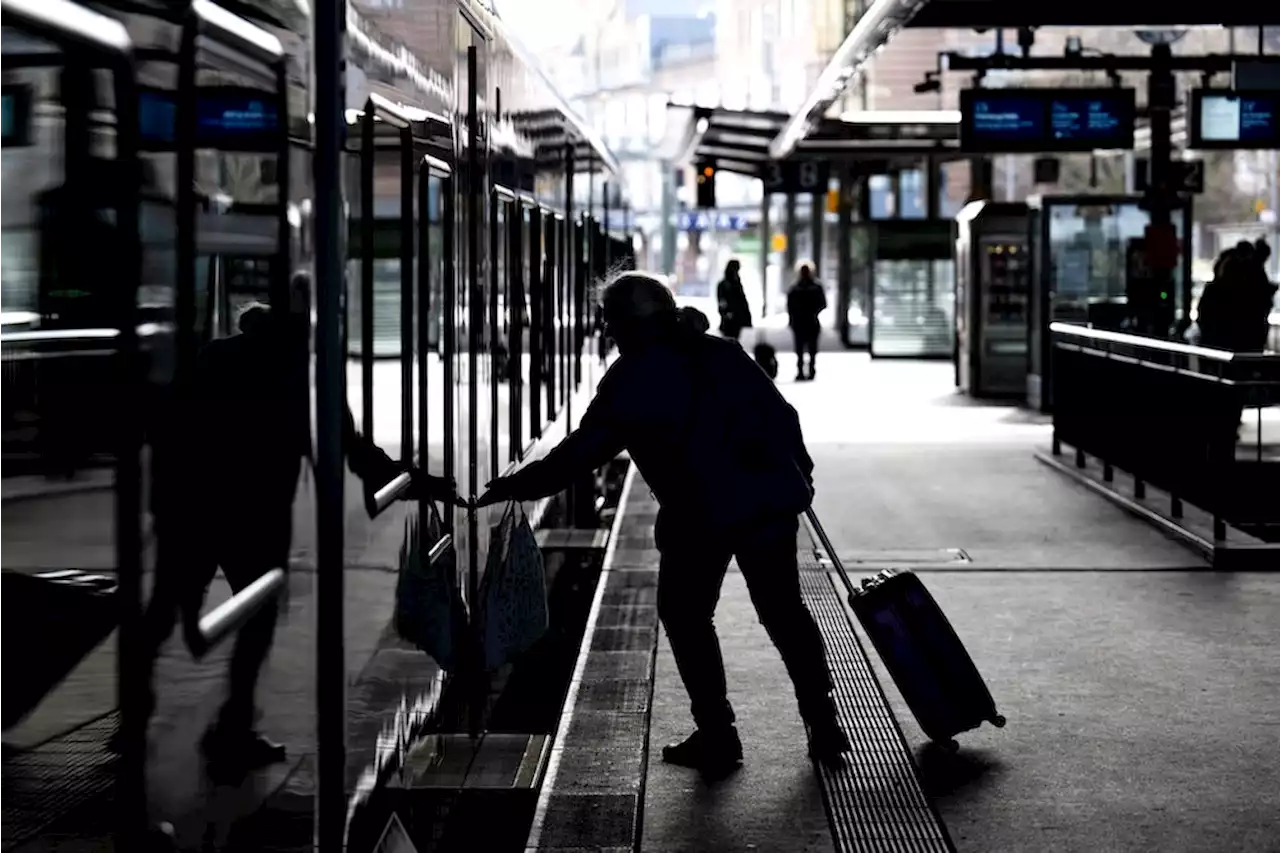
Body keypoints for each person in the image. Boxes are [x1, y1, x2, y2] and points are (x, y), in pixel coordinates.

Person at [475, 272, 851, 778]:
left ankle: (718, 734)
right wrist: (796, 480)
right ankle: (823, 720)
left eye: (610, 323)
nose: (608, 332)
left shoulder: (631, 378)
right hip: (767, 506)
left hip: (701, 517)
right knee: (784, 612)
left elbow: (579, 455)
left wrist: (513, 486)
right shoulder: (724, 353)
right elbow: (785, 418)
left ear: (629, 325)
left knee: (686, 615)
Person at [120, 272, 457, 780]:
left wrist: (165, 502)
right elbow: (351, 448)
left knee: (167, 607)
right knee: (255, 617)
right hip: (249, 515)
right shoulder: (297, 369)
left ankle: (136, 717)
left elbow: (170, 426)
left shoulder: (217, 354)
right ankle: (231, 729)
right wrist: (418, 482)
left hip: (193, 505)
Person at [786, 263, 826, 381]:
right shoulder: (814, 287)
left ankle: (806, 371)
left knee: (807, 348)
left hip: (805, 321)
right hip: (807, 321)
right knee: (804, 348)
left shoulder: (796, 287)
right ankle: (805, 370)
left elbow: (790, 306)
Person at [716, 259, 752, 344]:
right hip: (730, 318)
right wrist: (726, 313)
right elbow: (722, 301)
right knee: (730, 341)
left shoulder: (736, 283)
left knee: (733, 341)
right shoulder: (725, 285)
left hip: (736, 317)